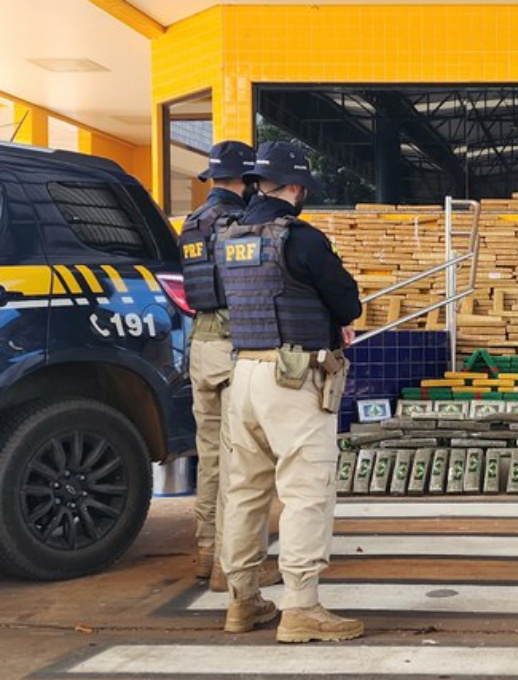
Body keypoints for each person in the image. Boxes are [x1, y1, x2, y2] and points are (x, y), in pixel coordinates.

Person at [217, 141, 364, 642]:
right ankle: (300, 607)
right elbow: (347, 302)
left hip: (244, 377)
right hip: (293, 380)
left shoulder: (229, 237)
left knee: (245, 492)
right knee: (306, 491)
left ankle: (242, 602)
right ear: (297, 188)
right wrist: (332, 320)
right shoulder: (300, 238)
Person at [181, 141, 281, 592]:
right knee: (240, 462)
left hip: (199, 347)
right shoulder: (234, 224)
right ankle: (233, 565)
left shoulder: (191, 223)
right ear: (247, 180)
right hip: (231, 346)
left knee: (210, 458)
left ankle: (206, 552)